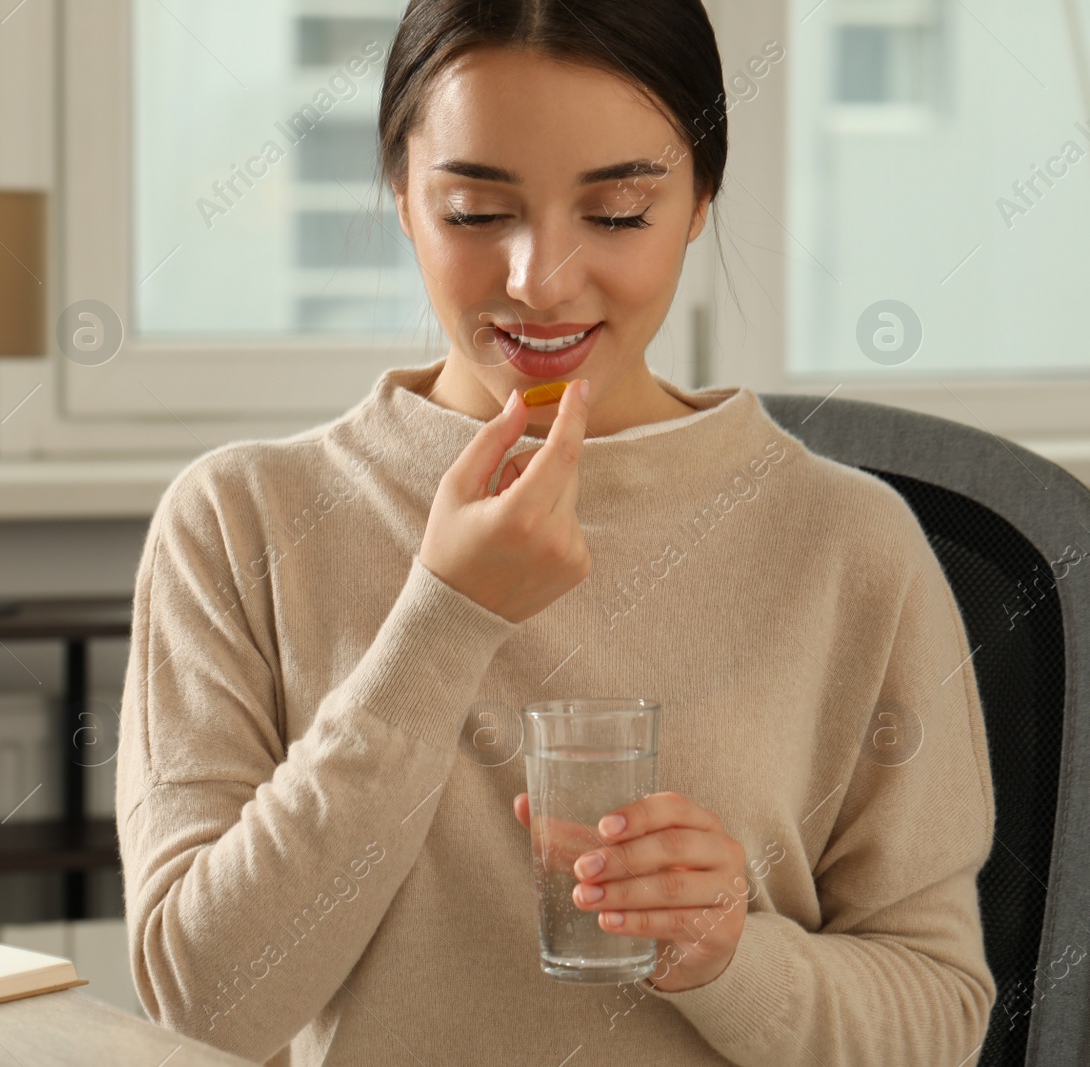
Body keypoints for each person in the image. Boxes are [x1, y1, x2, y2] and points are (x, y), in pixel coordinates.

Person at [115, 1, 997, 1063]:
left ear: (700, 201)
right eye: (476, 212)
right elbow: (202, 1007)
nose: (537, 278)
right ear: (402, 194)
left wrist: (725, 953)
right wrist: (441, 619)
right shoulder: (237, 523)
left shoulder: (855, 546)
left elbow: (940, 1023)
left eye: (618, 212)